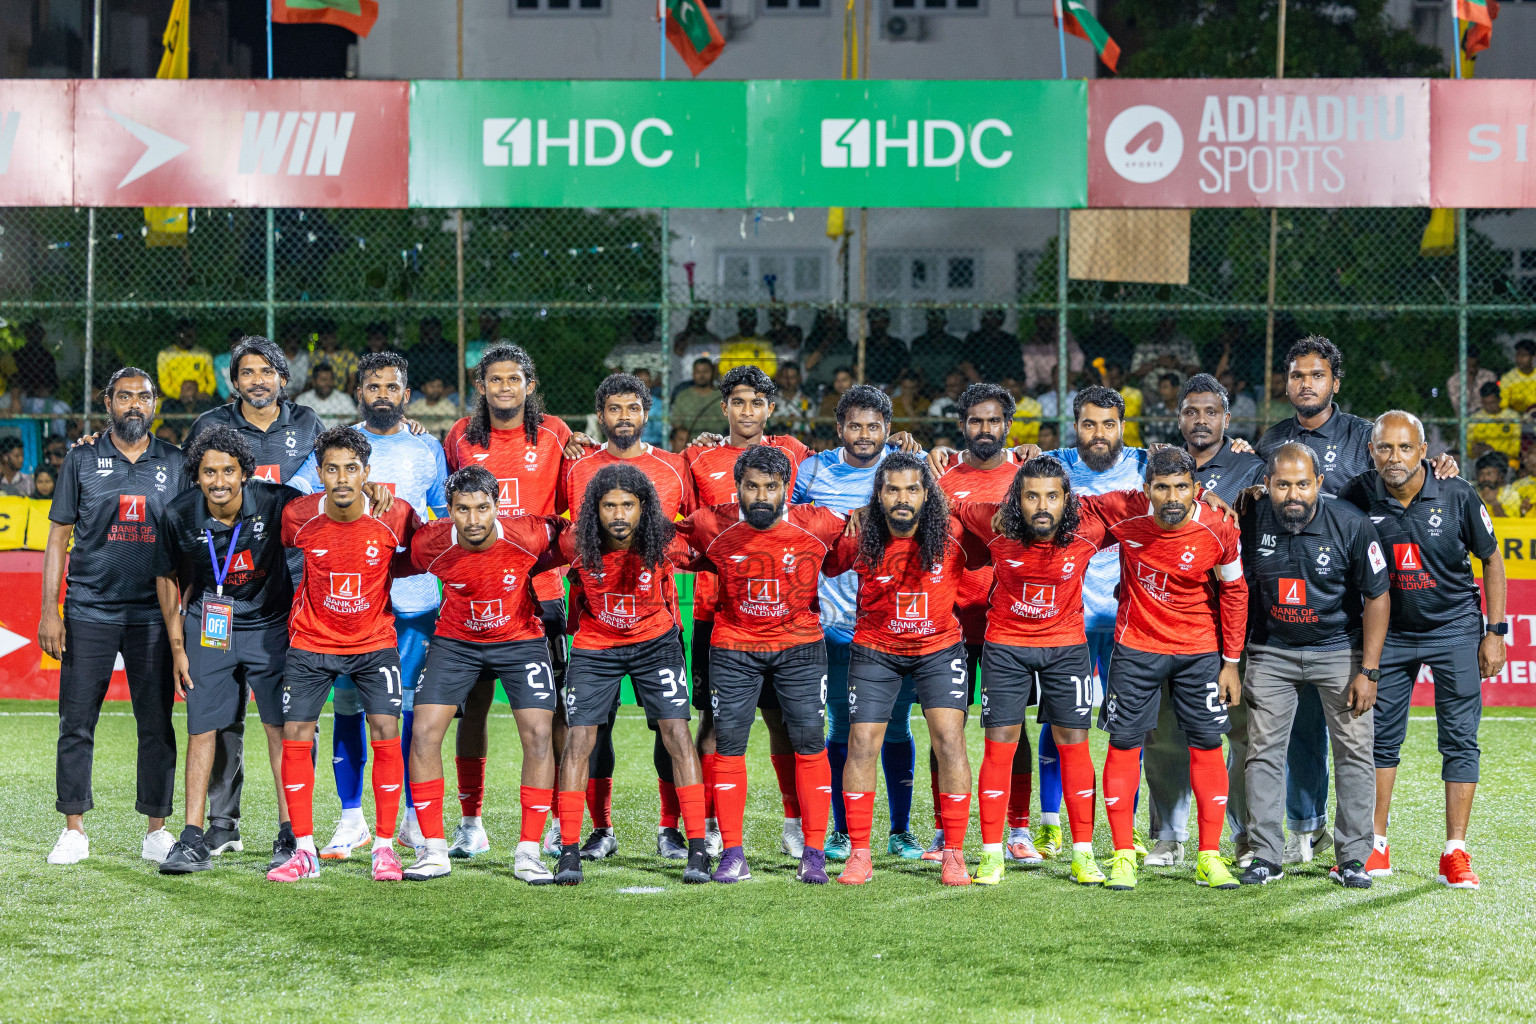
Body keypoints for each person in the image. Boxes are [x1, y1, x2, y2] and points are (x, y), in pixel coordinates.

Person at [1257, 335, 1458, 865]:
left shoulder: (1363, 434)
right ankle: (1305, 827)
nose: (1306, 384)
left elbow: (1401, 464)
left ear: (1335, 383)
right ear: (1286, 384)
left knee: (1357, 731)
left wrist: (1439, 465)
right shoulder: (1270, 440)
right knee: (1300, 727)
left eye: (1317, 375)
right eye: (1297, 376)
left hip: (1358, 602)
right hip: (1296, 601)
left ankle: (1363, 843)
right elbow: (1254, 497)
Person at [1338, 411, 1506, 889]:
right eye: (1384, 448)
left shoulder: (1457, 492)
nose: (1394, 457)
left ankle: (1455, 851)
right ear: (1371, 451)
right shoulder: (1356, 495)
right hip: (1389, 635)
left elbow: (1491, 559)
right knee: (1378, 740)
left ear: (1424, 451)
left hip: (1454, 630)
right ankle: (1375, 845)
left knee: (1460, 739)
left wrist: (1495, 631)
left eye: (1405, 447)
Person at [292, 352, 447, 861]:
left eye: (392, 386)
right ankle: (351, 818)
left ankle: (410, 819)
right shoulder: (338, 448)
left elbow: (442, 517)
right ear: (359, 392)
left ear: (407, 394)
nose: (383, 394)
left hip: (412, 601)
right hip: (347, 607)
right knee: (349, 708)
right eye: (373, 386)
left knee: (403, 712)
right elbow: (296, 495)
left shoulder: (428, 447)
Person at [674, 444, 847, 884]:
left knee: (810, 743)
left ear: (786, 487)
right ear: (738, 487)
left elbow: (865, 533)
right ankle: (733, 853)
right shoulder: (710, 523)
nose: (761, 497)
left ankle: (813, 852)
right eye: (751, 487)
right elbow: (661, 536)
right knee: (729, 745)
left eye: (771, 487)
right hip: (734, 647)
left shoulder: (820, 523)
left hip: (800, 647)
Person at [1080, 446, 1248, 893]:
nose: (1172, 498)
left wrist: (1231, 662)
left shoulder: (1219, 526)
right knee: (1124, 743)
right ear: (1146, 489)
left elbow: (1235, 591)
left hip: (1199, 651)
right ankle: (1122, 855)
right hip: (1136, 648)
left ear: (1197, 488)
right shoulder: (1124, 510)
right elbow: (1070, 505)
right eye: (1161, 488)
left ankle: (1209, 857)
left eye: (1181, 487)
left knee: (1208, 744)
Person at [185, 335, 326, 852]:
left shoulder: (308, 423)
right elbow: (189, 497)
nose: (258, 380)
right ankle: (222, 824)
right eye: (247, 372)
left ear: (283, 379)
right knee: (221, 715)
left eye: (267, 371)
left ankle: (295, 826)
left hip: (289, 589)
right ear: (234, 380)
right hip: (223, 588)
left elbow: (335, 477)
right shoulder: (209, 426)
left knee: (289, 715)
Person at [441, 344, 583, 858]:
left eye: (514, 379)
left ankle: (555, 821)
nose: (505, 387)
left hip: (540, 597)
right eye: (495, 379)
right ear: (481, 387)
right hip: (474, 596)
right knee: (473, 710)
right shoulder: (460, 435)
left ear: (530, 385)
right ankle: (470, 822)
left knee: (551, 712)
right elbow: (448, 501)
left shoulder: (556, 434)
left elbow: (570, 509)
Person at [41, 367, 183, 866]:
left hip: (153, 615)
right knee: (76, 723)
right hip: (88, 610)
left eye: (143, 397)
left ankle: (156, 831)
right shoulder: (81, 458)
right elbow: (58, 537)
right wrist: (50, 610)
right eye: (124, 397)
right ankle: (74, 830)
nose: (134, 405)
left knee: (157, 725)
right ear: (108, 403)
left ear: (155, 404)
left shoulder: (177, 462)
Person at [267, 426, 422, 883]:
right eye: (332, 469)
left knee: (386, 731)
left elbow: (418, 552)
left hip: (374, 643)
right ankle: (304, 851)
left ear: (366, 472)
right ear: (319, 473)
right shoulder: (298, 516)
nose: (341, 478)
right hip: (311, 642)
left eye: (351, 469)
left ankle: (384, 848)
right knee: (296, 734)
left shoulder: (394, 514)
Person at [151, 428, 306, 874]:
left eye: (228, 471)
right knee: (201, 729)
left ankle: (290, 833)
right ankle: (192, 838)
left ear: (244, 473)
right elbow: (166, 577)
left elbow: (328, 513)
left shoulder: (278, 502)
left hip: (269, 627)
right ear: (196, 475)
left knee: (279, 729)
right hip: (208, 627)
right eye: (208, 472)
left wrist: (369, 494)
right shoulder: (179, 513)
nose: (219, 481)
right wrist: (177, 648)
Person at [952, 457, 1111, 886]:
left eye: (1052, 496)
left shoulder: (1089, 529)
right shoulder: (992, 522)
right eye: (1032, 496)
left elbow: (1138, 508)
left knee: (1075, 746)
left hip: (1066, 648)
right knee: (999, 747)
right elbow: (948, 506)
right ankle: (991, 855)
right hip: (1006, 647)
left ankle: (1083, 854)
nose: (1042, 506)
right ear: (1016, 500)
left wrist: (1209, 500)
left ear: (1067, 499)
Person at [557, 374, 697, 861]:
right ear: (601, 415)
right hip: (594, 624)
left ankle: (671, 829)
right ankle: (601, 829)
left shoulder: (674, 467)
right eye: (614, 408)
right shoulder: (577, 467)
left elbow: (694, 531)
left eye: (632, 408)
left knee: (668, 728)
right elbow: (559, 531)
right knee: (594, 730)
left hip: (657, 623)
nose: (624, 417)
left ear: (646, 413)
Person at [551, 463, 711, 886]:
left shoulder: (665, 540)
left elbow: (713, 552)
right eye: (609, 506)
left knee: (676, 732)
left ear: (644, 507)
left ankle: (697, 849)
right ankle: (569, 851)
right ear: (595, 509)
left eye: (627, 505)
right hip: (596, 646)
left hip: (655, 643)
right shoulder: (574, 542)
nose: (619, 514)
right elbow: (528, 552)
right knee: (579, 738)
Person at [1236, 442, 1388, 888]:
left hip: (1339, 652)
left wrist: (1369, 670)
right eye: (1283, 485)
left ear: (1319, 483)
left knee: (1354, 752)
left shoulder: (1352, 523)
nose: (1293, 495)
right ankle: (1266, 855)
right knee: (1262, 753)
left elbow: (1378, 596)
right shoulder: (1250, 517)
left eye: (1303, 484)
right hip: (1271, 652)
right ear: (1267, 484)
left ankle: (1354, 858)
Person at [402, 466, 562, 884]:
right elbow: (392, 563)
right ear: (448, 509)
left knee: (539, 733)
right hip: (456, 642)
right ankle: (434, 850)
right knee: (423, 732)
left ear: (496, 506)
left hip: (519, 639)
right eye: (462, 509)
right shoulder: (431, 542)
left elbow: (573, 538)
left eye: (482, 508)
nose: (473, 520)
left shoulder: (528, 533)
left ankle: (529, 852)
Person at [679, 365, 813, 858]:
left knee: (783, 723)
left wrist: (904, 446)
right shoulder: (699, 457)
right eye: (738, 402)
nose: (747, 411)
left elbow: (845, 474)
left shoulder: (793, 453)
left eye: (757, 402)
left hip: (782, 614)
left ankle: (794, 823)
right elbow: (682, 520)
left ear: (770, 408)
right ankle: (712, 823)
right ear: (724, 407)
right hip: (716, 613)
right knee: (713, 724)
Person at [823, 453, 974, 887]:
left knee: (950, 740)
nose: (902, 498)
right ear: (879, 494)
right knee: (861, 742)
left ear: (928, 495)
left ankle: (954, 854)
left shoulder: (953, 532)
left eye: (912, 489)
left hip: (938, 649)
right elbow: (826, 559)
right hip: (876, 649)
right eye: (892, 489)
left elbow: (997, 531)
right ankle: (859, 854)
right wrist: (846, 520)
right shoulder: (859, 535)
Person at [792, 385, 925, 862]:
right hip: (834, 624)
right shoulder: (812, 470)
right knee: (842, 727)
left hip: (893, 624)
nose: (864, 435)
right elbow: (788, 522)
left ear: (888, 429)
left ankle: (901, 831)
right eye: (855, 426)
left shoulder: (909, 464)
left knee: (896, 725)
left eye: (873, 426)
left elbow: (933, 515)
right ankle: (843, 831)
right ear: (840, 428)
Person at [1143, 374, 1267, 868]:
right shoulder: (1159, 465)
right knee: (1164, 733)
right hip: (1168, 622)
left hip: (1231, 623)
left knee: (1241, 734)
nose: (1201, 420)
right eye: (1191, 411)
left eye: (1211, 412)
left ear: (1226, 418)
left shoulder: (1250, 465)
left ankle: (1244, 835)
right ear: (1178, 418)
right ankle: (1168, 836)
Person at [931, 383, 1037, 863]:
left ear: (1008, 425)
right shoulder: (941, 476)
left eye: (994, 420)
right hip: (949, 625)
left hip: (1006, 626)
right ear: (962, 425)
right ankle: (942, 831)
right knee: (945, 730)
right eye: (976, 420)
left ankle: (1019, 830)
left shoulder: (1025, 475)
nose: (985, 429)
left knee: (1012, 729)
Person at [1019, 313, 1084, 394]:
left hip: (1067, 381)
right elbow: (1031, 375)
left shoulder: (1063, 336)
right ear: (1037, 324)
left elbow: (1078, 356)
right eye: (1042, 323)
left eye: (1048, 322)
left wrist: (1071, 376)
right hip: (1044, 385)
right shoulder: (1030, 347)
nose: (1045, 325)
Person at [908, 310, 972, 391]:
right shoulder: (919, 343)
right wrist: (927, 388)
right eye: (931, 321)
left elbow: (960, 368)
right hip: (925, 387)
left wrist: (949, 387)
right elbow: (916, 369)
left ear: (944, 323)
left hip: (949, 386)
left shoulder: (954, 343)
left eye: (937, 321)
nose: (934, 324)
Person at [156, 319, 216, 402]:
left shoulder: (204, 354)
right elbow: (164, 384)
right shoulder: (165, 355)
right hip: (175, 398)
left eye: (192, 335)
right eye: (187, 335)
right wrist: (178, 396)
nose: (190, 338)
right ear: (178, 335)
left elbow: (212, 380)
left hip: (200, 396)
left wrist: (206, 393)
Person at [670, 358, 728, 438]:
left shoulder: (721, 396)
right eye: (698, 372)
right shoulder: (683, 396)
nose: (701, 376)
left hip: (718, 440)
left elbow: (730, 422)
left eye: (705, 372)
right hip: (690, 441)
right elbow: (676, 423)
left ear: (712, 373)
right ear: (693, 374)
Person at [1468, 381, 1520, 463]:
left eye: (1492, 402)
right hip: (1481, 460)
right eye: (1485, 403)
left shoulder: (1512, 417)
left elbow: (1516, 447)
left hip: (1507, 460)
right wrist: (1475, 450)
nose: (1489, 406)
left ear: (1499, 400)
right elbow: (1468, 445)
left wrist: (1494, 451)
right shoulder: (1475, 418)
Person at [962, 309, 1018, 382]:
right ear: (982, 319)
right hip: (978, 382)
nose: (992, 319)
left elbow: (1015, 366)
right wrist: (982, 384)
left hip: (1003, 382)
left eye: (997, 316)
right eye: (989, 315)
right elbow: (966, 365)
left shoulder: (1009, 340)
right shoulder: (973, 339)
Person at [718, 308, 777, 377]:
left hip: (757, 381)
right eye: (744, 321)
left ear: (755, 322)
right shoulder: (729, 343)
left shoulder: (765, 343)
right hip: (735, 381)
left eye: (750, 321)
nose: (747, 324)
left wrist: (755, 379)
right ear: (739, 323)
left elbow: (770, 370)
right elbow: (723, 369)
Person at [295, 364, 358, 428]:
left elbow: (354, 422)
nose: (328, 383)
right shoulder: (302, 400)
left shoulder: (344, 399)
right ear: (313, 382)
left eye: (331, 379)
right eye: (323, 380)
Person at [671, 308, 720, 387]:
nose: (700, 319)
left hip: (707, 382)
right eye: (697, 314)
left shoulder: (713, 340)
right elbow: (678, 350)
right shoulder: (683, 338)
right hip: (687, 380)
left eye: (703, 314)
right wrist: (689, 328)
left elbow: (716, 364)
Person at [1100, 361, 1145, 448]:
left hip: (1132, 444)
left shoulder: (1134, 393)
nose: (1112, 382)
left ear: (1122, 377)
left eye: (1115, 378)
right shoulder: (1101, 395)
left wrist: (1108, 391)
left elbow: (1122, 413)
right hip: (1109, 444)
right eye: (1110, 379)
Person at [1445, 344, 1497, 416]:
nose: (1472, 370)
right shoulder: (1453, 381)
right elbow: (1458, 407)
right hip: (1465, 417)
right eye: (1468, 366)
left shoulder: (1489, 376)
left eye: (1474, 366)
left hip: (1486, 416)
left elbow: (1492, 401)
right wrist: (1469, 384)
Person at [863, 309, 908, 388]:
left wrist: (892, 387)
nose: (877, 325)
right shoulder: (864, 344)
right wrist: (872, 387)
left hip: (895, 386)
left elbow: (904, 369)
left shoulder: (898, 344)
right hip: (869, 386)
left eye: (881, 322)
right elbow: (856, 368)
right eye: (874, 322)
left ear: (887, 322)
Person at [312, 320, 358, 393]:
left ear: (336, 337)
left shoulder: (348, 355)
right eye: (325, 338)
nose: (329, 341)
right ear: (320, 338)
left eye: (332, 337)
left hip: (342, 392)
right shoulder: (315, 355)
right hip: (320, 393)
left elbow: (352, 380)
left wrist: (346, 397)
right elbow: (311, 380)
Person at [770, 361, 815, 437]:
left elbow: (809, 430)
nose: (788, 381)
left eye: (792, 377)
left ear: (799, 379)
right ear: (779, 378)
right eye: (785, 377)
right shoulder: (770, 401)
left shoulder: (806, 402)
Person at [1475, 451, 1522, 518]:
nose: (1485, 478)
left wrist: (1494, 503)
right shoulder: (1473, 492)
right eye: (1481, 474)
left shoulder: (1510, 494)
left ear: (1500, 476)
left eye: (1489, 474)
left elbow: (1508, 523)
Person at [1499, 338, 1536, 415]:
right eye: (1517, 355)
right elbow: (1503, 404)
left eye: (1523, 355)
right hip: (1516, 417)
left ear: (1533, 357)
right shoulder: (1508, 378)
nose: (1519, 359)